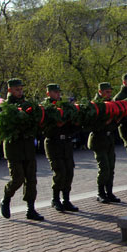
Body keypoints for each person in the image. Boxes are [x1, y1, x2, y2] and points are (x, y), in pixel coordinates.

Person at [0, 78, 44, 221]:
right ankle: (6, 198)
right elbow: (3, 125)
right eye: (16, 89)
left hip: (28, 148)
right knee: (17, 178)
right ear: (10, 90)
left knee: (31, 179)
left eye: (21, 89)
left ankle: (30, 209)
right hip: (14, 149)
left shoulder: (28, 105)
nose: (20, 92)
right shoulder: (5, 107)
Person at [43, 84, 79, 212]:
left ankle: (66, 199)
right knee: (60, 172)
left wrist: (74, 124)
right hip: (54, 143)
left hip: (66, 143)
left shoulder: (64, 106)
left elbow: (72, 127)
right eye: (54, 92)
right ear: (48, 93)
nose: (58, 94)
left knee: (69, 171)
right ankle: (55, 199)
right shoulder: (45, 108)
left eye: (58, 92)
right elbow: (44, 129)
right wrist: (57, 126)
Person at [88, 82, 121, 203]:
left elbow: (113, 123)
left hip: (109, 140)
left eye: (110, 92)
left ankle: (109, 192)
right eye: (107, 92)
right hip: (98, 140)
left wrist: (115, 121)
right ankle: (100, 192)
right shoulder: (94, 105)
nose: (109, 94)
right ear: (100, 92)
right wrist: (105, 122)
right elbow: (90, 125)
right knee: (104, 168)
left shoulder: (111, 103)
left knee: (111, 167)